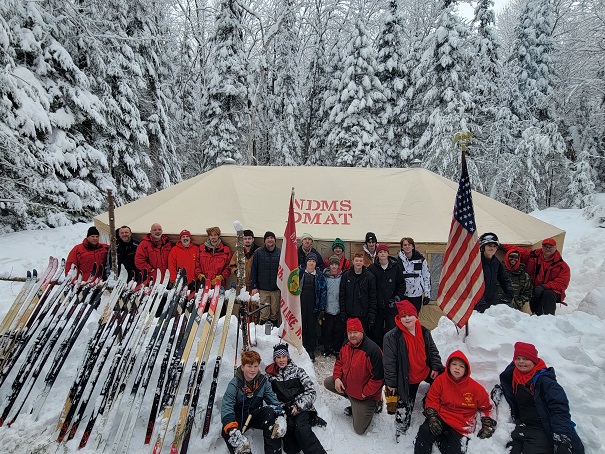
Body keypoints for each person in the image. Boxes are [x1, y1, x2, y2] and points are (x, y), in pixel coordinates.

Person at [499, 342, 584, 454]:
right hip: (523, 425)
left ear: (534, 360)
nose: (521, 362)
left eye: (526, 359)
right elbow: (506, 384)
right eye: (518, 358)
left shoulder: (546, 382)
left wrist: (561, 438)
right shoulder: (514, 376)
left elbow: (559, 409)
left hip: (542, 427)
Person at [383, 300, 444, 437]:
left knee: (445, 378)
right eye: (403, 316)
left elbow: (433, 350)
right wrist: (391, 384)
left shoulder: (424, 331)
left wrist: (435, 367)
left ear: (416, 315)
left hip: (425, 371)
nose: (407, 318)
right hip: (407, 378)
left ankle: (430, 403)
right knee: (404, 408)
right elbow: (389, 363)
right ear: (399, 318)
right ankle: (400, 431)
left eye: (410, 315)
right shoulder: (392, 337)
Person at [414, 351, 496, 454]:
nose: (457, 368)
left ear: (466, 370)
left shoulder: (475, 388)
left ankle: (441, 438)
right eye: (454, 364)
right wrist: (432, 417)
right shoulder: (440, 381)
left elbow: (487, 407)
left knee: (454, 451)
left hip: (461, 423)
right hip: (442, 416)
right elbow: (432, 399)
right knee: (424, 432)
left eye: (461, 366)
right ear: (449, 366)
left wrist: (487, 425)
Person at [323, 318, 384, 435]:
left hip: (365, 396)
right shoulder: (346, 344)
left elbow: (378, 379)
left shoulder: (372, 350)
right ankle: (353, 401)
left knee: (359, 429)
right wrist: (337, 378)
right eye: (350, 333)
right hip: (349, 387)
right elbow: (339, 362)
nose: (352, 335)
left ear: (362, 332)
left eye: (355, 332)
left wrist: (365, 393)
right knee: (328, 382)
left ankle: (375, 404)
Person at [265, 344, 327, 454]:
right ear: (275, 359)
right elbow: (270, 396)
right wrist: (282, 408)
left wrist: (298, 406)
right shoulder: (271, 376)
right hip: (286, 411)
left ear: (288, 357)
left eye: (284, 357)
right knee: (291, 449)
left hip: (301, 408)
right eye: (278, 357)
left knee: (301, 428)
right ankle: (310, 421)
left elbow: (311, 392)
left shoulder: (298, 371)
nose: (281, 360)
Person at [222, 350, 286, 454]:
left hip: (254, 415)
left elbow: (273, 400)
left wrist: (280, 416)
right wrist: (232, 429)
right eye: (249, 366)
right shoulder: (234, 384)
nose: (253, 370)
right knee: (228, 433)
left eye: (255, 366)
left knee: (270, 413)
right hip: (239, 417)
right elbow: (227, 406)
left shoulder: (262, 381)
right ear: (242, 367)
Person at [502, 238, 570, 315]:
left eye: (550, 247)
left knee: (547, 294)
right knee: (534, 296)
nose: (548, 249)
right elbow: (518, 251)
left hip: (551, 292)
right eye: (545, 246)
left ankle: (549, 317)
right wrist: (502, 246)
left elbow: (562, 283)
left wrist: (544, 287)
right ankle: (536, 315)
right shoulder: (533, 256)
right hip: (534, 290)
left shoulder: (562, 266)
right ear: (542, 247)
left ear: (555, 248)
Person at [368, 243, 406, 348]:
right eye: (380, 252)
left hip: (391, 305)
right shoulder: (372, 268)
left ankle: (390, 350)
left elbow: (401, 284)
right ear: (377, 254)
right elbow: (369, 287)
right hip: (377, 305)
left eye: (384, 252)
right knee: (376, 330)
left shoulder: (396, 267)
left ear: (388, 253)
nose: (382, 254)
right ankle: (378, 351)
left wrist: (398, 297)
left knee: (391, 329)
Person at [474, 232, 514, 313]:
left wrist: (509, 293)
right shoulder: (476, 262)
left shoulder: (497, 263)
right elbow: (472, 284)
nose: (492, 248)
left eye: (494, 246)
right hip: (476, 303)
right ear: (483, 246)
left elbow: (504, 280)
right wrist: (480, 302)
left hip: (491, 300)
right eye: (489, 245)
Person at [339, 251, 377, 333]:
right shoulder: (346, 276)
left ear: (363, 262)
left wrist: (372, 313)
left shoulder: (369, 277)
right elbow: (342, 295)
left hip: (363, 314)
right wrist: (342, 311)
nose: (358, 263)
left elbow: (373, 296)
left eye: (360, 261)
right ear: (353, 262)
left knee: (361, 335)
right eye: (356, 260)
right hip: (349, 313)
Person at [298, 253, 327, 362]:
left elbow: (323, 292)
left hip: (313, 305)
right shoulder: (299, 273)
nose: (311, 263)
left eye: (313, 261)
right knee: (301, 326)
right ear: (306, 262)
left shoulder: (319, 275)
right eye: (309, 261)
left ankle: (310, 349)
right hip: (300, 305)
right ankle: (301, 347)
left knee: (311, 327)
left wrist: (322, 307)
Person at [250, 231, 281, 326]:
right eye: (268, 238)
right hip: (263, 289)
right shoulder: (258, 253)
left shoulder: (280, 253)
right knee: (264, 312)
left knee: (274, 312)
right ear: (264, 240)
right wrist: (254, 286)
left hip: (276, 289)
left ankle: (274, 330)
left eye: (272, 238)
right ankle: (262, 331)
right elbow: (254, 270)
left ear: (275, 240)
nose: (270, 240)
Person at [398, 237, 431, 314]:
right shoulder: (397, 261)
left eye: (409, 245)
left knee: (414, 317)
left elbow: (426, 277)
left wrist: (427, 294)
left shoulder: (421, 260)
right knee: (403, 316)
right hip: (403, 295)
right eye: (405, 245)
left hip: (417, 295)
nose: (407, 247)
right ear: (402, 247)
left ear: (413, 246)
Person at [322, 255, 345, 358]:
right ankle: (328, 348)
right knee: (328, 330)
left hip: (339, 308)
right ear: (329, 265)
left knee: (339, 330)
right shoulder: (325, 277)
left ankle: (337, 349)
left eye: (336, 264)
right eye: (332, 264)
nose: (334, 266)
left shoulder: (342, 277)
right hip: (328, 308)